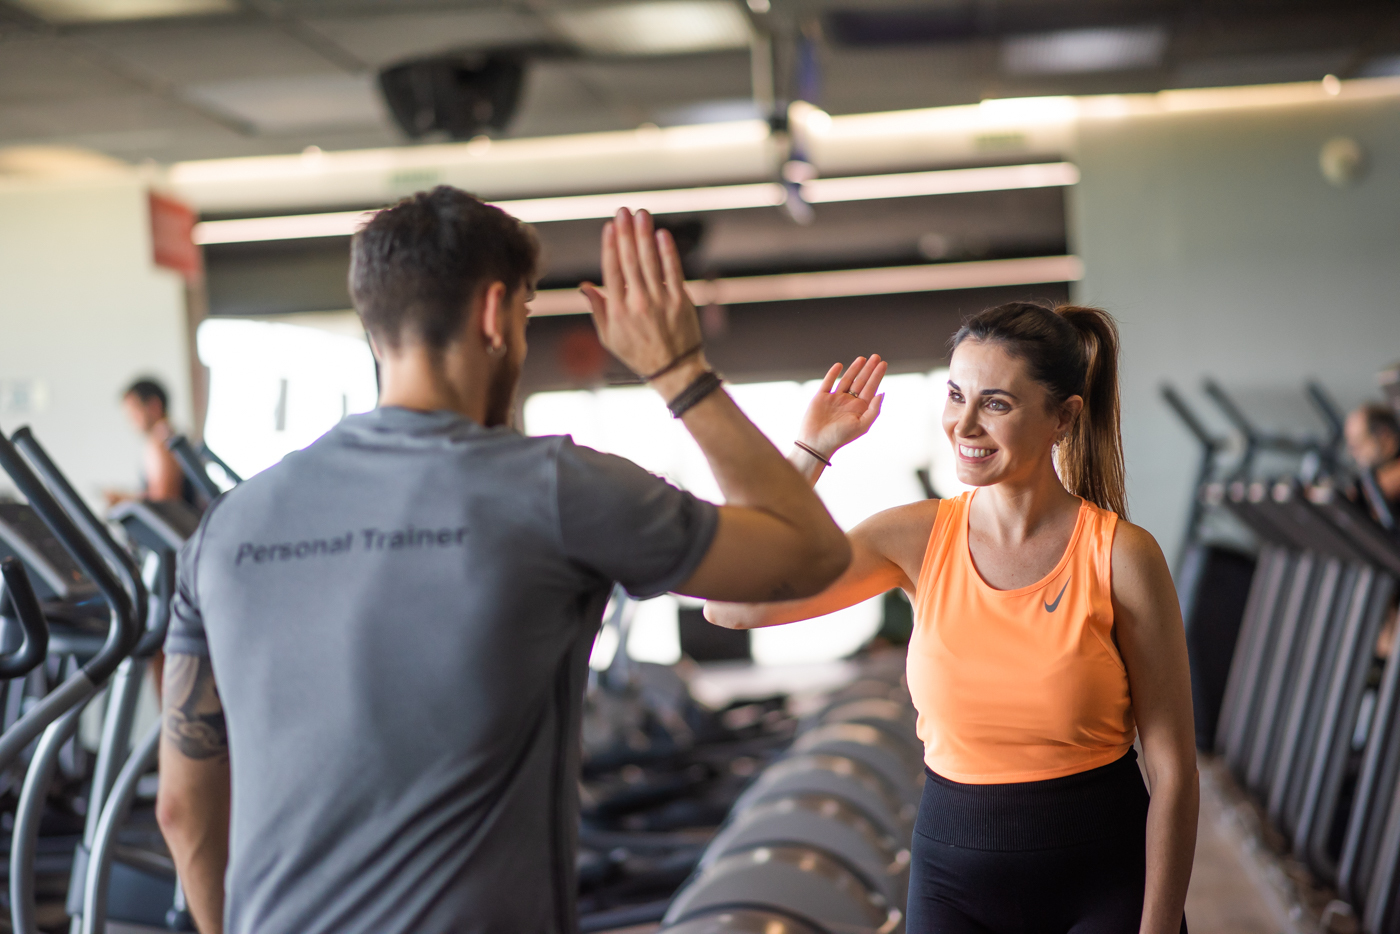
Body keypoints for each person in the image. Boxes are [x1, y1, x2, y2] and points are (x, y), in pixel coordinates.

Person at [153, 188, 851, 934]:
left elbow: (182, 810)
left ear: (374, 320)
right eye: (524, 314)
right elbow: (812, 554)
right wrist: (680, 371)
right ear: (494, 314)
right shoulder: (555, 489)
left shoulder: (225, 528)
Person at [707, 303, 1198, 934]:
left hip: (1106, 884)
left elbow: (1174, 771)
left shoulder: (1121, 556)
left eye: (995, 403)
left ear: (1064, 417)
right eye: (956, 395)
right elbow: (733, 607)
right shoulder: (913, 539)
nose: (964, 424)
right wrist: (811, 450)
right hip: (953, 887)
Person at [106, 378, 186, 507]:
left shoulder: (159, 442)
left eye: (134, 411)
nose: (131, 420)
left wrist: (125, 500)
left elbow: (165, 503)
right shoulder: (172, 436)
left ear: (154, 406)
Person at [1345, 402, 1400, 516]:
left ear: (1383, 434)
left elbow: (1389, 485)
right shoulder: (1368, 479)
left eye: (1358, 444)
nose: (1353, 453)